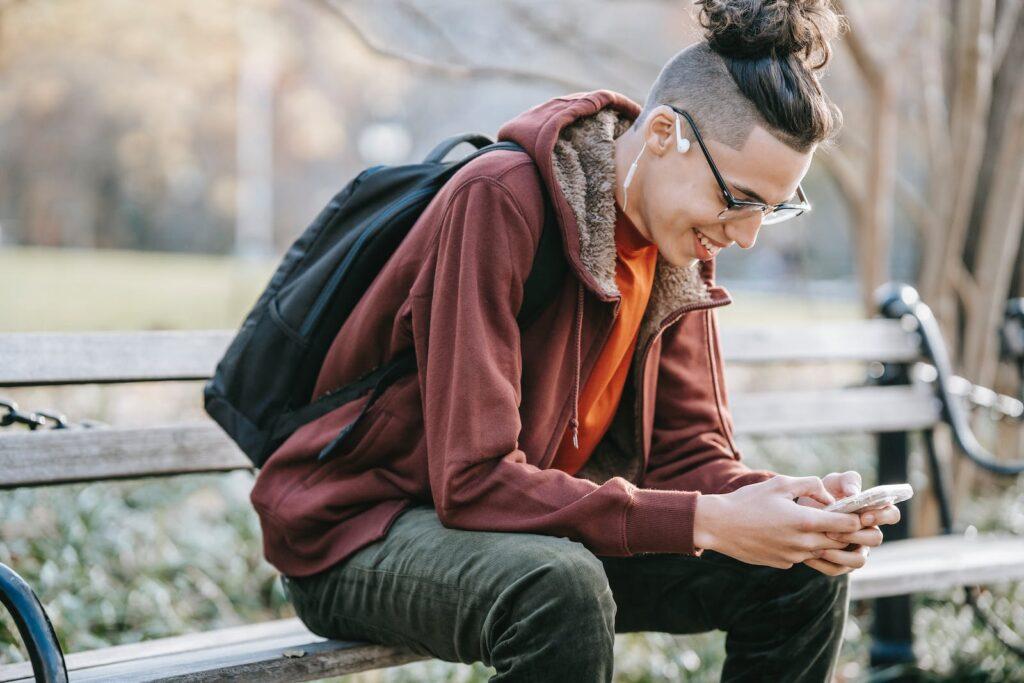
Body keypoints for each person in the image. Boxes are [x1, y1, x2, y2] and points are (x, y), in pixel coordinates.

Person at [251, 0, 901, 680]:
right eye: (738, 199)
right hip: (361, 530)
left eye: (772, 208)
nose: (745, 234)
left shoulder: (677, 243)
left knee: (798, 569)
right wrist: (705, 520)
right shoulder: (500, 201)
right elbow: (471, 483)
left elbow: (688, 456)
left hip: (534, 530)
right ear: (661, 135)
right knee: (559, 585)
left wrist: (787, 508)